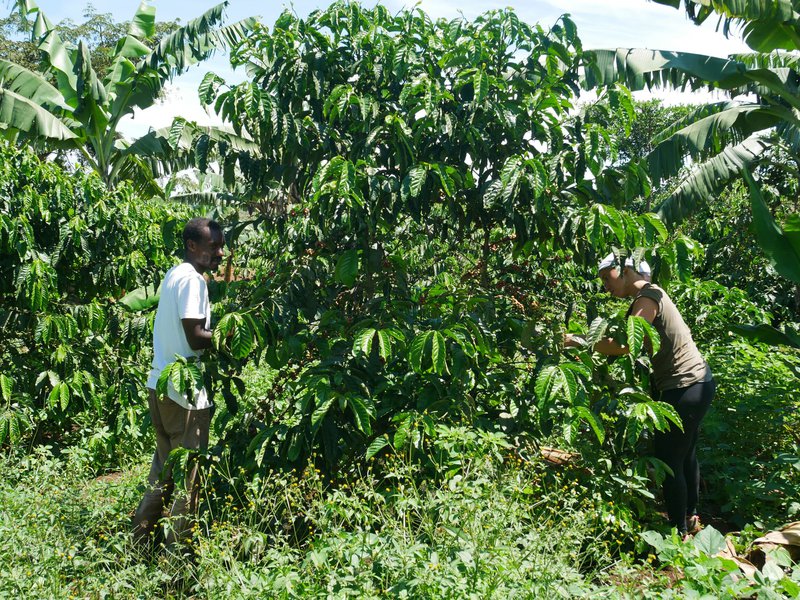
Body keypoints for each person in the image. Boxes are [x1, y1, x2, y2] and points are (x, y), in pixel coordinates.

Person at [566, 253, 715, 537]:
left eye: (605, 278)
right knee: (685, 455)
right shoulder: (653, 294)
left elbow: (626, 346)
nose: (604, 286)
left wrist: (580, 342)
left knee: (669, 460)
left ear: (622, 270)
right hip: (698, 381)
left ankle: (678, 534)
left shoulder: (646, 299)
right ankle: (690, 517)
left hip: (685, 386)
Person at [132, 217, 225, 550]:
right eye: (213, 246)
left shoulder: (174, 274)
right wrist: (229, 336)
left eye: (221, 245)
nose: (220, 253)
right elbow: (196, 337)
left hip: (160, 386)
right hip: (183, 393)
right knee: (189, 478)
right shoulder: (193, 281)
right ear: (192, 246)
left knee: (162, 473)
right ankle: (177, 560)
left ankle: (139, 544)